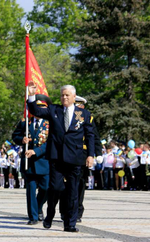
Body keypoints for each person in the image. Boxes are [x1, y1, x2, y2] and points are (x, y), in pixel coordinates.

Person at [27, 83, 95, 233]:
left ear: (74, 97)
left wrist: (90, 155)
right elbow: (35, 110)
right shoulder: (54, 109)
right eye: (62, 95)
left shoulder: (84, 114)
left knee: (73, 191)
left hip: (75, 158)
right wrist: (31, 96)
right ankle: (50, 213)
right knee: (55, 188)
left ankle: (69, 224)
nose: (64, 97)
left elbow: (90, 136)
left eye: (67, 95)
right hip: (57, 157)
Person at [13, 94, 52, 225]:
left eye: (41, 108)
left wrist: (36, 151)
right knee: (30, 190)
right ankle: (33, 217)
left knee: (46, 188)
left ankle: (39, 207)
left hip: (44, 161)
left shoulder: (50, 124)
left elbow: (51, 143)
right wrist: (21, 140)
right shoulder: (25, 122)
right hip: (28, 163)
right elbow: (15, 136)